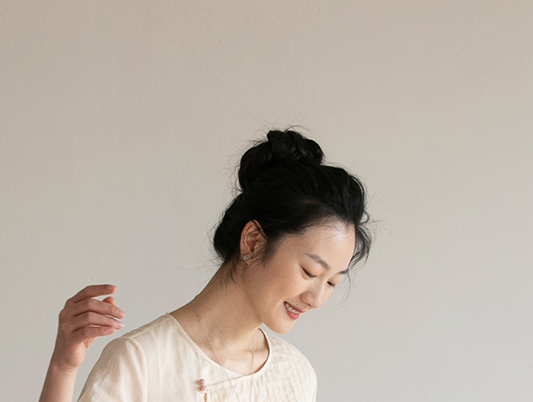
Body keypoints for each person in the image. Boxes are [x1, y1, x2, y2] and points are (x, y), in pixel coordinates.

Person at [37, 129, 372, 402]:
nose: (316, 298)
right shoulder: (143, 361)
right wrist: (62, 368)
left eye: (332, 283)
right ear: (253, 241)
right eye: (310, 272)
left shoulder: (295, 375)